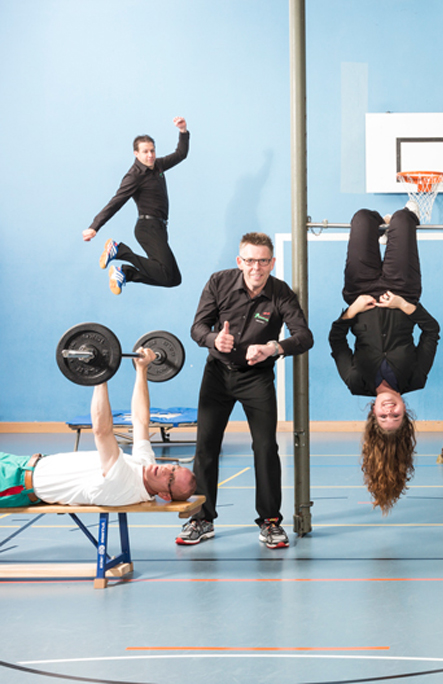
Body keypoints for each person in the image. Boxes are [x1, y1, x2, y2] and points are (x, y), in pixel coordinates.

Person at [178, 232, 314, 549]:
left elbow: (304, 337)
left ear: (272, 262)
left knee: (265, 448)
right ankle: (201, 519)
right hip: (217, 374)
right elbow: (197, 328)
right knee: (206, 447)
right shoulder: (219, 282)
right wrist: (214, 339)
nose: (256, 267)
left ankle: (270, 522)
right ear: (240, 261)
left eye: (263, 261)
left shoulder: (281, 293)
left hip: (257, 377)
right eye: (250, 260)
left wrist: (273, 348)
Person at [328, 204, 440, 515]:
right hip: (402, 288)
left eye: (383, 417)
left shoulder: (356, 382)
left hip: (360, 289)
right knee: (403, 218)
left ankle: (381, 233)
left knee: (362, 218)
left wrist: (352, 311)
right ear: (405, 413)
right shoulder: (415, 378)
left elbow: (336, 340)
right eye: (396, 416)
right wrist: (404, 306)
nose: (389, 411)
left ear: (372, 413)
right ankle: (393, 232)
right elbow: (431, 332)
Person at [0, 349, 196, 508]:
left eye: (170, 479)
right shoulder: (146, 467)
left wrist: (101, 376)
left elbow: (102, 431)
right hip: (19, 463)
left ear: (164, 495)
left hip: (11, 484)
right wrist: (142, 369)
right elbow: (140, 420)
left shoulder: (125, 486)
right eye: (174, 467)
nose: (166, 470)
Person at [83, 117, 190, 295]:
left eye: (152, 151)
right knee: (166, 274)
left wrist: (183, 131)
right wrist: (95, 226)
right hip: (147, 228)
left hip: (160, 228)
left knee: (173, 279)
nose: (150, 155)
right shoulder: (134, 176)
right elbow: (116, 202)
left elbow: (181, 154)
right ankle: (119, 250)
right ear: (136, 154)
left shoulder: (158, 166)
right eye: (145, 152)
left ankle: (125, 273)